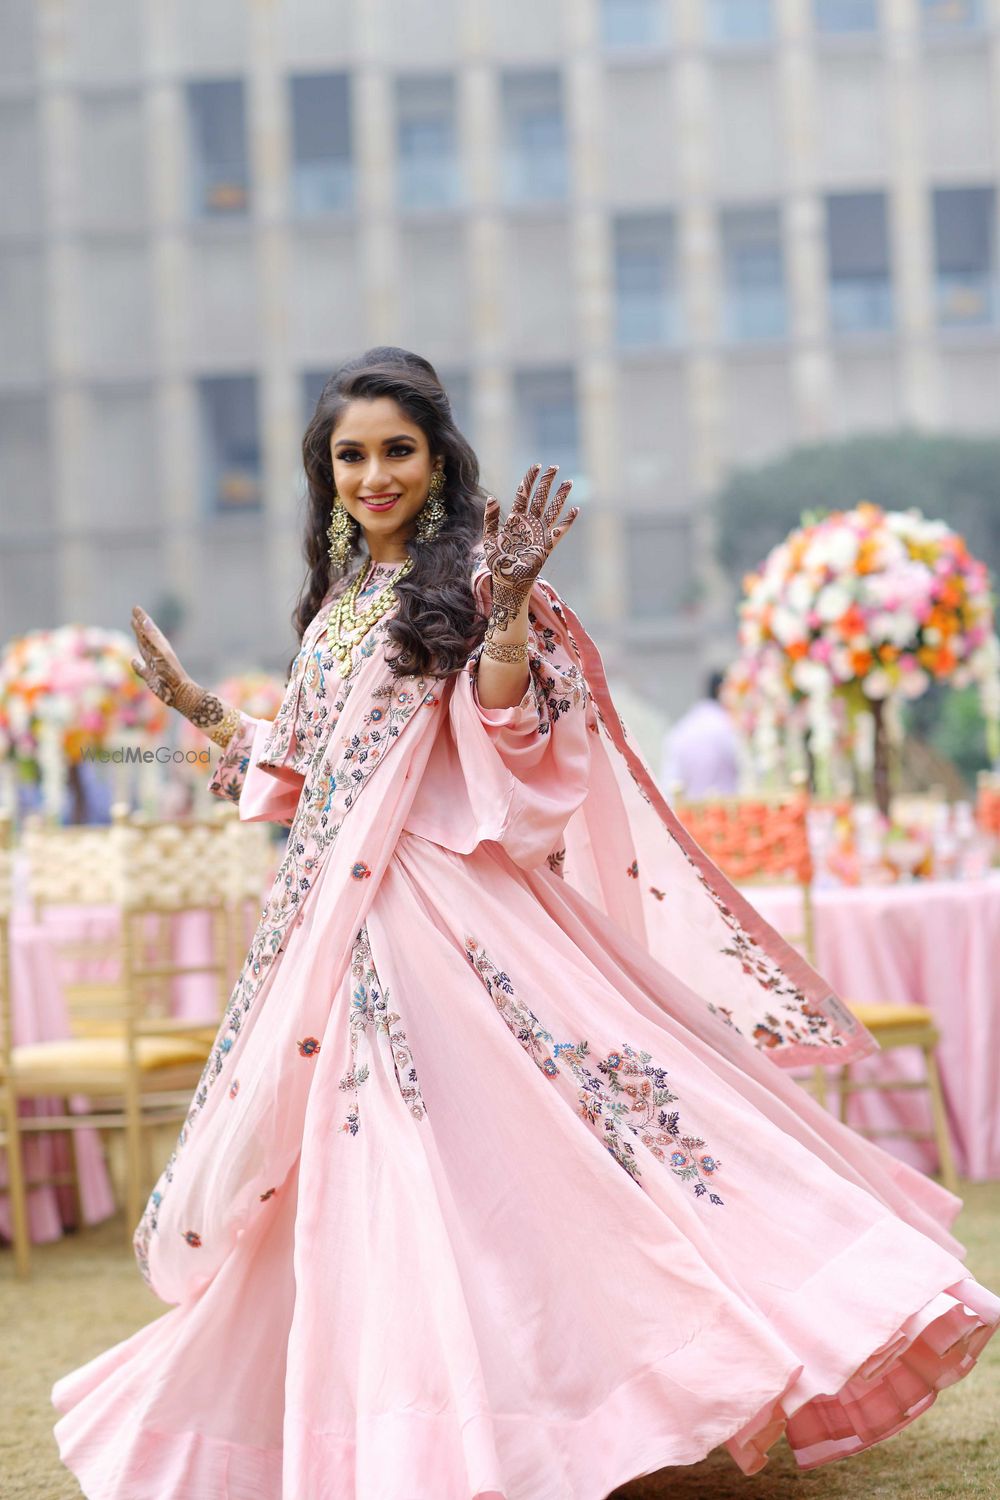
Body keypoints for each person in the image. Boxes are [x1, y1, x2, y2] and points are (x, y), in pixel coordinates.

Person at [52, 348, 997, 1499]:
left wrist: (500, 613)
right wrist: (199, 710)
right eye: (350, 455)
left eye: (396, 449)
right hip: (333, 927)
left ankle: (563, 1405)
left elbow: (513, 739)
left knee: (515, 1159)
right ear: (326, 474)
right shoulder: (338, 610)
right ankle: (420, 1423)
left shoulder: (486, 586)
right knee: (380, 1176)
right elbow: (306, 763)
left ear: (438, 456)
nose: (373, 473)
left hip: (442, 914)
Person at [661, 668, 741, 798]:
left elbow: (669, 781)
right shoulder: (728, 727)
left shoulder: (683, 728)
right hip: (728, 812)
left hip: (686, 813)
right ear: (722, 690)